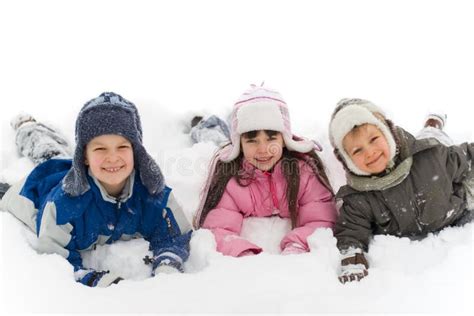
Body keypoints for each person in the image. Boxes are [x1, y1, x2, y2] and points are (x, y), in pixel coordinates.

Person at [0, 92, 192, 287]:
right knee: (47, 153)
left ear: (136, 151)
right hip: (41, 186)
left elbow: (174, 235)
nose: (112, 157)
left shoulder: (152, 193)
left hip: (81, 169)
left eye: (122, 147)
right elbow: (54, 257)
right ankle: (28, 128)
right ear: (84, 156)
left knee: (57, 155)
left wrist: (167, 266)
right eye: (100, 149)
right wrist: (92, 279)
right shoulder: (63, 205)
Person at [328, 98, 473, 284]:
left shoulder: (432, 156)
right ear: (347, 160)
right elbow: (351, 231)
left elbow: (468, 156)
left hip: (453, 208)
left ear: (387, 133)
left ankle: (433, 123)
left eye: (373, 139)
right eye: (357, 150)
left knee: (433, 135)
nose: (370, 152)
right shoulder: (359, 198)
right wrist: (353, 258)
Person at [194, 85, 337, 257]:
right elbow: (217, 229)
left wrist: (297, 245)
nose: (263, 149)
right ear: (239, 143)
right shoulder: (231, 177)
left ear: (284, 139)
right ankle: (207, 127)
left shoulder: (303, 171)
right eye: (252, 140)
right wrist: (243, 253)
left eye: (271, 138)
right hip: (225, 142)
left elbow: (322, 219)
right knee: (214, 140)